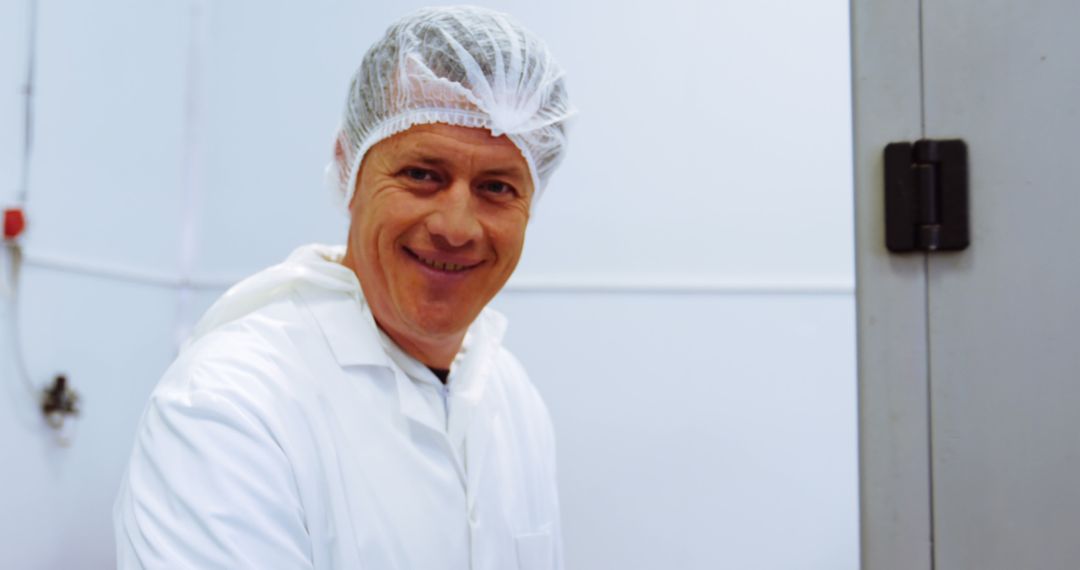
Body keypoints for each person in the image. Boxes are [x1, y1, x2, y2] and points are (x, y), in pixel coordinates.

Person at [113, 6, 574, 569]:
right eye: (422, 174)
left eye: (497, 186)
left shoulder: (509, 393)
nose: (456, 227)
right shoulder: (230, 408)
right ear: (349, 170)